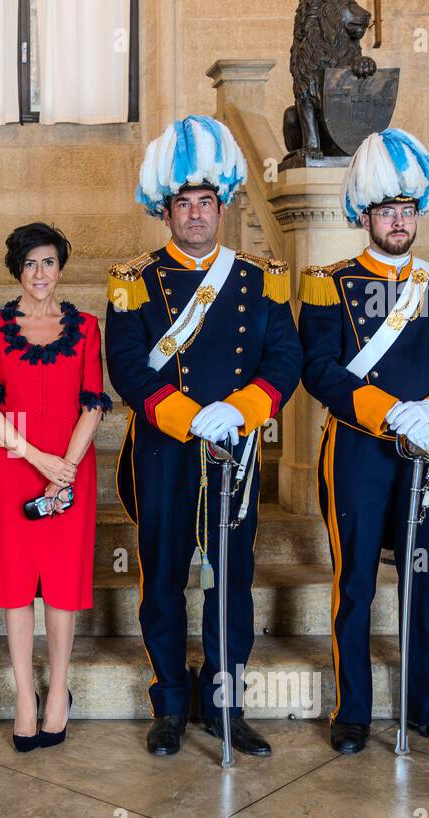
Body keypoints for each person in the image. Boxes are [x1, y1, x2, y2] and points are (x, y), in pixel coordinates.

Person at [106, 115, 302, 759]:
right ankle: (168, 703)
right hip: (163, 451)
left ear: (222, 206)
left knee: (230, 579)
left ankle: (225, 705)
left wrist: (242, 409)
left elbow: (285, 358)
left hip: (236, 452)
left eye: (205, 203)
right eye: (183, 204)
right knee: (162, 578)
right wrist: (189, 416)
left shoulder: (257, 278)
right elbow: (128, 367)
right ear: (165, 211)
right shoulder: (133, 281)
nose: (194, 214)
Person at [299, 128, 429, 756]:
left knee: (425, 582)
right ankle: (352, 712)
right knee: (354, 582)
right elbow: (319, 368)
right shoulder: (328, 283)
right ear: (365, 214)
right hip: (357, 448)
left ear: (419, 211)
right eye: (386, 210)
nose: (398, 221)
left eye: (407, 209)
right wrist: (388, 412)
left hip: (428, 449)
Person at [0, 222, 110, 752]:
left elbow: (93, 401)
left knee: (61, 580)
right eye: (30, 263)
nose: (39, 273)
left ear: (61, 267)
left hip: (71, 465)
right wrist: (37, 458)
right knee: (17, 581)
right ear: (17, 269)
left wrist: (65, 466)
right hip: (14, 464)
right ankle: (25, 696)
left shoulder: (88, 327)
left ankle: (58, 695)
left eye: (48, 262)